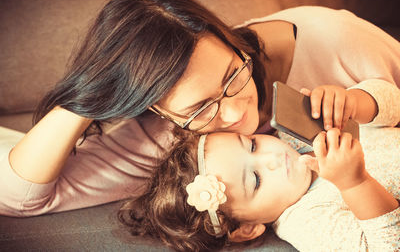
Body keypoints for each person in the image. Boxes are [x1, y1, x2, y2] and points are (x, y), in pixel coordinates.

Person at [1, 0, 400, 217]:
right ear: (159, 110)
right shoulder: (162, 135)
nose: (235, 113)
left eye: (232, 76)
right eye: (199, 108)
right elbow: (18, 197)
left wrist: (363, 102)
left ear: (229, 38)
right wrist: (85, 98)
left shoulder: (338, 41)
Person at [118, 79, 400, 252]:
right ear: (247, 228)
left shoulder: (292, 134)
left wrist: (355, 102)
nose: (272, 159)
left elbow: (394, 105)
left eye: (252, 145)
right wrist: (355, 183)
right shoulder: (306, 222)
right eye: (255, 180)